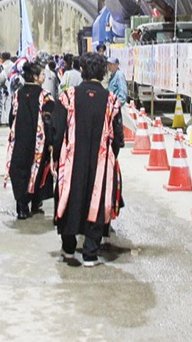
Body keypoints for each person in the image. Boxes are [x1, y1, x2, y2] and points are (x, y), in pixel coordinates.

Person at [51, 52, 123, 267]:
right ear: (102, 73)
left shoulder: (67, 97)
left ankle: (69, 248)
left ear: (82, 70)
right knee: (98, 198)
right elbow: (117, 137)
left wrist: (56, 157)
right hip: (101, 162)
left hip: (72, 161)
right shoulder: (112, 101)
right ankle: (91, 252)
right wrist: (111, 157)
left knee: (70, 198)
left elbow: (57, 131)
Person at [7, 59, 55, 219]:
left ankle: (21, 207)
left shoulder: (17, 94)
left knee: (19, 170)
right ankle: (35, 203)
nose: (44, 77)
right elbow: (49, 121)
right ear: (35, 77)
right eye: (42, 74)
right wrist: (51, 142)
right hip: (38, 143)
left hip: (19, 140)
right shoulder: (45, 96)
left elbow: (11, 118)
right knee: (38, 170)